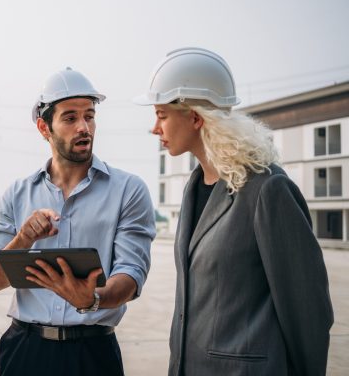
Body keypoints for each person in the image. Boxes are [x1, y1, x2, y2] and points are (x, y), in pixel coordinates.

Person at [134, 47, 334, 375]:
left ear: (195, 117)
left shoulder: (267, 189)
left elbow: (307, 310)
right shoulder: (193, 189)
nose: (155, 128)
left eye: (161, 114)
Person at [0, 67, 155, 376]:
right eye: (70, 118)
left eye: (89, 116)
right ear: (44, 128)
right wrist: (23, 239)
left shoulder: (129, 190)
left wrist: (94, 298)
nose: (83, 127)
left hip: (93, 354)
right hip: (25, 351)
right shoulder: (17, 195)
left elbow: (131, 274)